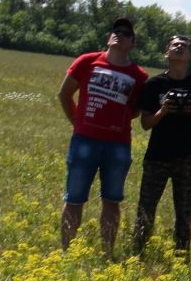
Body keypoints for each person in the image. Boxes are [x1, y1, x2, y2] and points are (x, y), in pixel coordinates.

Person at [57, 16, 149, 255]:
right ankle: (67, 253)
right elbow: (64, 94)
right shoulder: (87, 61)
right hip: (84, 141)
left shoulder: (139, 76)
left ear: (133, 44)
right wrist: (76, 122)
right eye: (116, 30)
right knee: (74, 197)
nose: (120, 34)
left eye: (126, 33)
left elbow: (136, 109)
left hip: (118, 146)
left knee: (112, 199)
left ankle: (107, 252)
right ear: (109, 37)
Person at [131, 34, 191, 260]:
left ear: (189, 55)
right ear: (166, 53)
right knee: (146, 207)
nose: (179, 47)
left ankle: (181, 255)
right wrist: (162, 111)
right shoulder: (154, 84)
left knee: (184, 210)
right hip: (157, 155)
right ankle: (139, 251)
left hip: (187, 156)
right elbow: (145, 124)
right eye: (174, 45)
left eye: (184, 46)